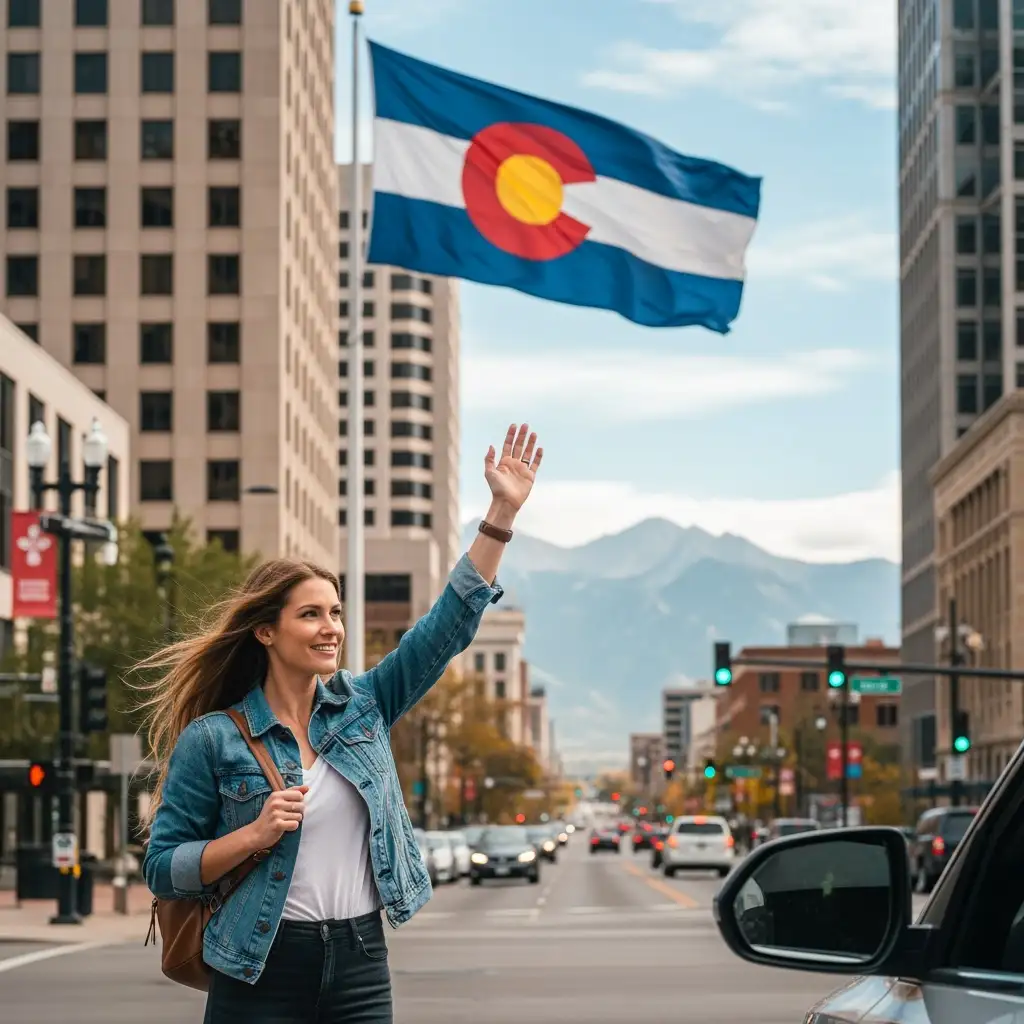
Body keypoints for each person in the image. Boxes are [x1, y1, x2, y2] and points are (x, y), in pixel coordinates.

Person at [140, 423, 543, 1023]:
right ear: (266, 630)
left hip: (360, 959)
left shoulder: (363, 705)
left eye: (335, 611)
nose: (331, 626)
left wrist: (500, 516)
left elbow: (447, 628)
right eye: (310, 614)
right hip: (259, 964)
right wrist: (252, 836)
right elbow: (163, 867)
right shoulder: (213, 738)